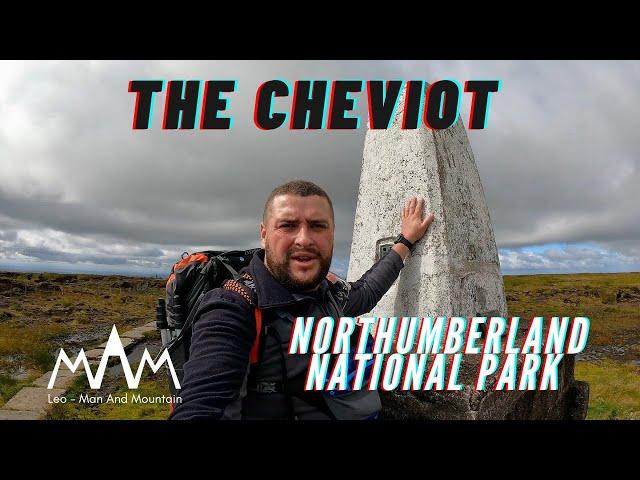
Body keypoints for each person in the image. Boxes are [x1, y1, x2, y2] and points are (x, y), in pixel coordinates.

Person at [170, 180, 434, 420]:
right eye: (288, 225)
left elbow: (366, 293)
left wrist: (406, 241)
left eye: (318, 226)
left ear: (332, 235)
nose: (304, 239)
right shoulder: (232, 306)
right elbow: (201, 406)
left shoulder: (326, 293)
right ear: (264, 234)